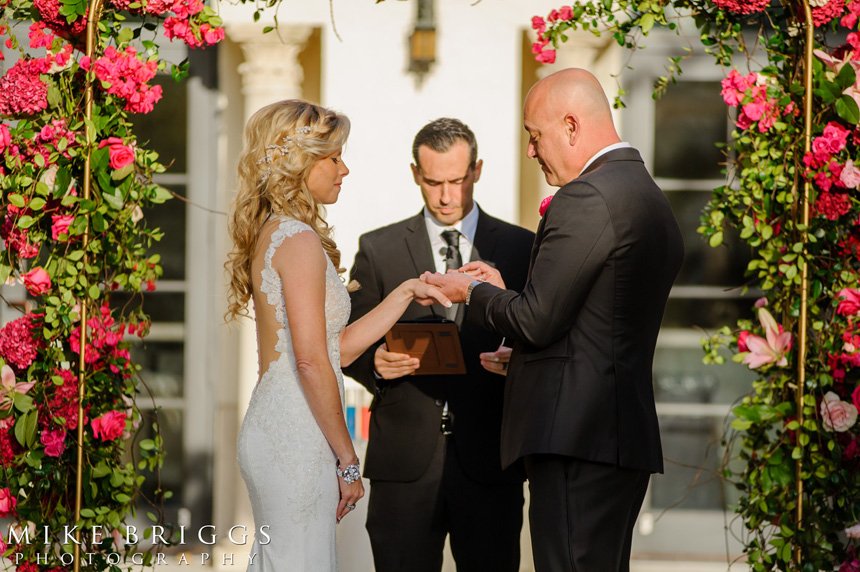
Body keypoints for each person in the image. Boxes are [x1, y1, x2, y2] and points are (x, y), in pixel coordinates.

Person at [423, 69, 685, 571]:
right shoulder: (645, 193)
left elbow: (538, 320)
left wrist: (472, 290)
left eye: (533, 135)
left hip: (577, 438)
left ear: (570, 125)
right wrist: (522, 353)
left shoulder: (588, 196)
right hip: (615, 436)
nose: (530, 150)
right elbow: (597, 322)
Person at [225, 100, 450, 571]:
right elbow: (311, 361)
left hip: (280, 420)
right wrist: (348, 459)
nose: (344, 169)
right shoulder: (299, 240)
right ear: (300, 161)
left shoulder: (278, 232)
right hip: (297, 432)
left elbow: (337, 347)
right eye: (334, 157)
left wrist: (406, 292)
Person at [343, 118, 534, 572]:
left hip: (491, 462)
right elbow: (348, 340)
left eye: (457, 180)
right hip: (403, 465)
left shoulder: (522, 246)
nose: (447, 196)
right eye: (433, 182)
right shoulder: (379, 248)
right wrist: (375, 364)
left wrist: (520, 360)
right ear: (415, 174)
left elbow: (540, 328)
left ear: (478, 170)